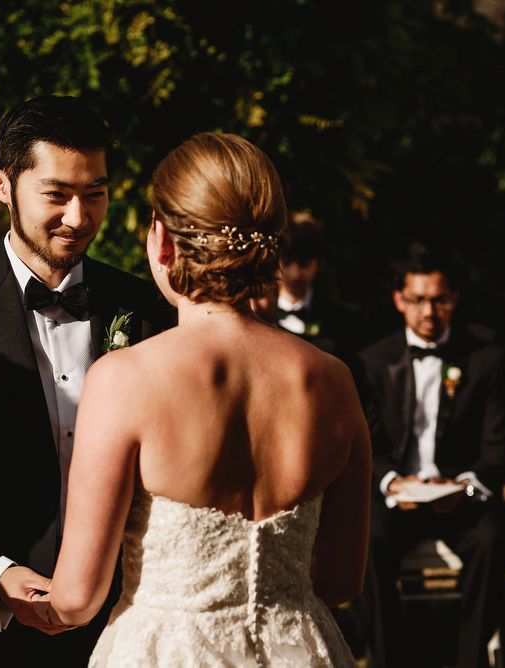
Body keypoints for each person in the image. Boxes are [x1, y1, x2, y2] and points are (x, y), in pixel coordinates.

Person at [33, 132, 371, 666]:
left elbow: (77, 598)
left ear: (163, 242)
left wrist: (18, 597)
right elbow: (341, 579)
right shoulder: (332, 380)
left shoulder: (126, 378)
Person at [0, 95, 168, 666]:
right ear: (2, 184)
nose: (78, 218)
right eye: (56, 195)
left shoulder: (147, 309)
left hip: (128, 626)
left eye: (95, 194)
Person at [355, 243, 505, 668]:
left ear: (454, 299)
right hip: (398, 497)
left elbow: (498, 446)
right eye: (418, 300)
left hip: (459, 496)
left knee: (493, 539)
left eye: (439, 300)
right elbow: (367, 445)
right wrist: (391, 484)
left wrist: (463, 486)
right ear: (399, 300)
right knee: (368, 541)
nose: (429, 311)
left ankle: (470, 659)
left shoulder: (485, 359)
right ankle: (384, 659)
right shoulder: (372, 362)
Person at [275, 211, 358, 362]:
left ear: (319, 263)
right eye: (287, 263)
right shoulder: (261, 315)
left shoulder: (340, 318)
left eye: (304, 264)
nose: (296, 274)